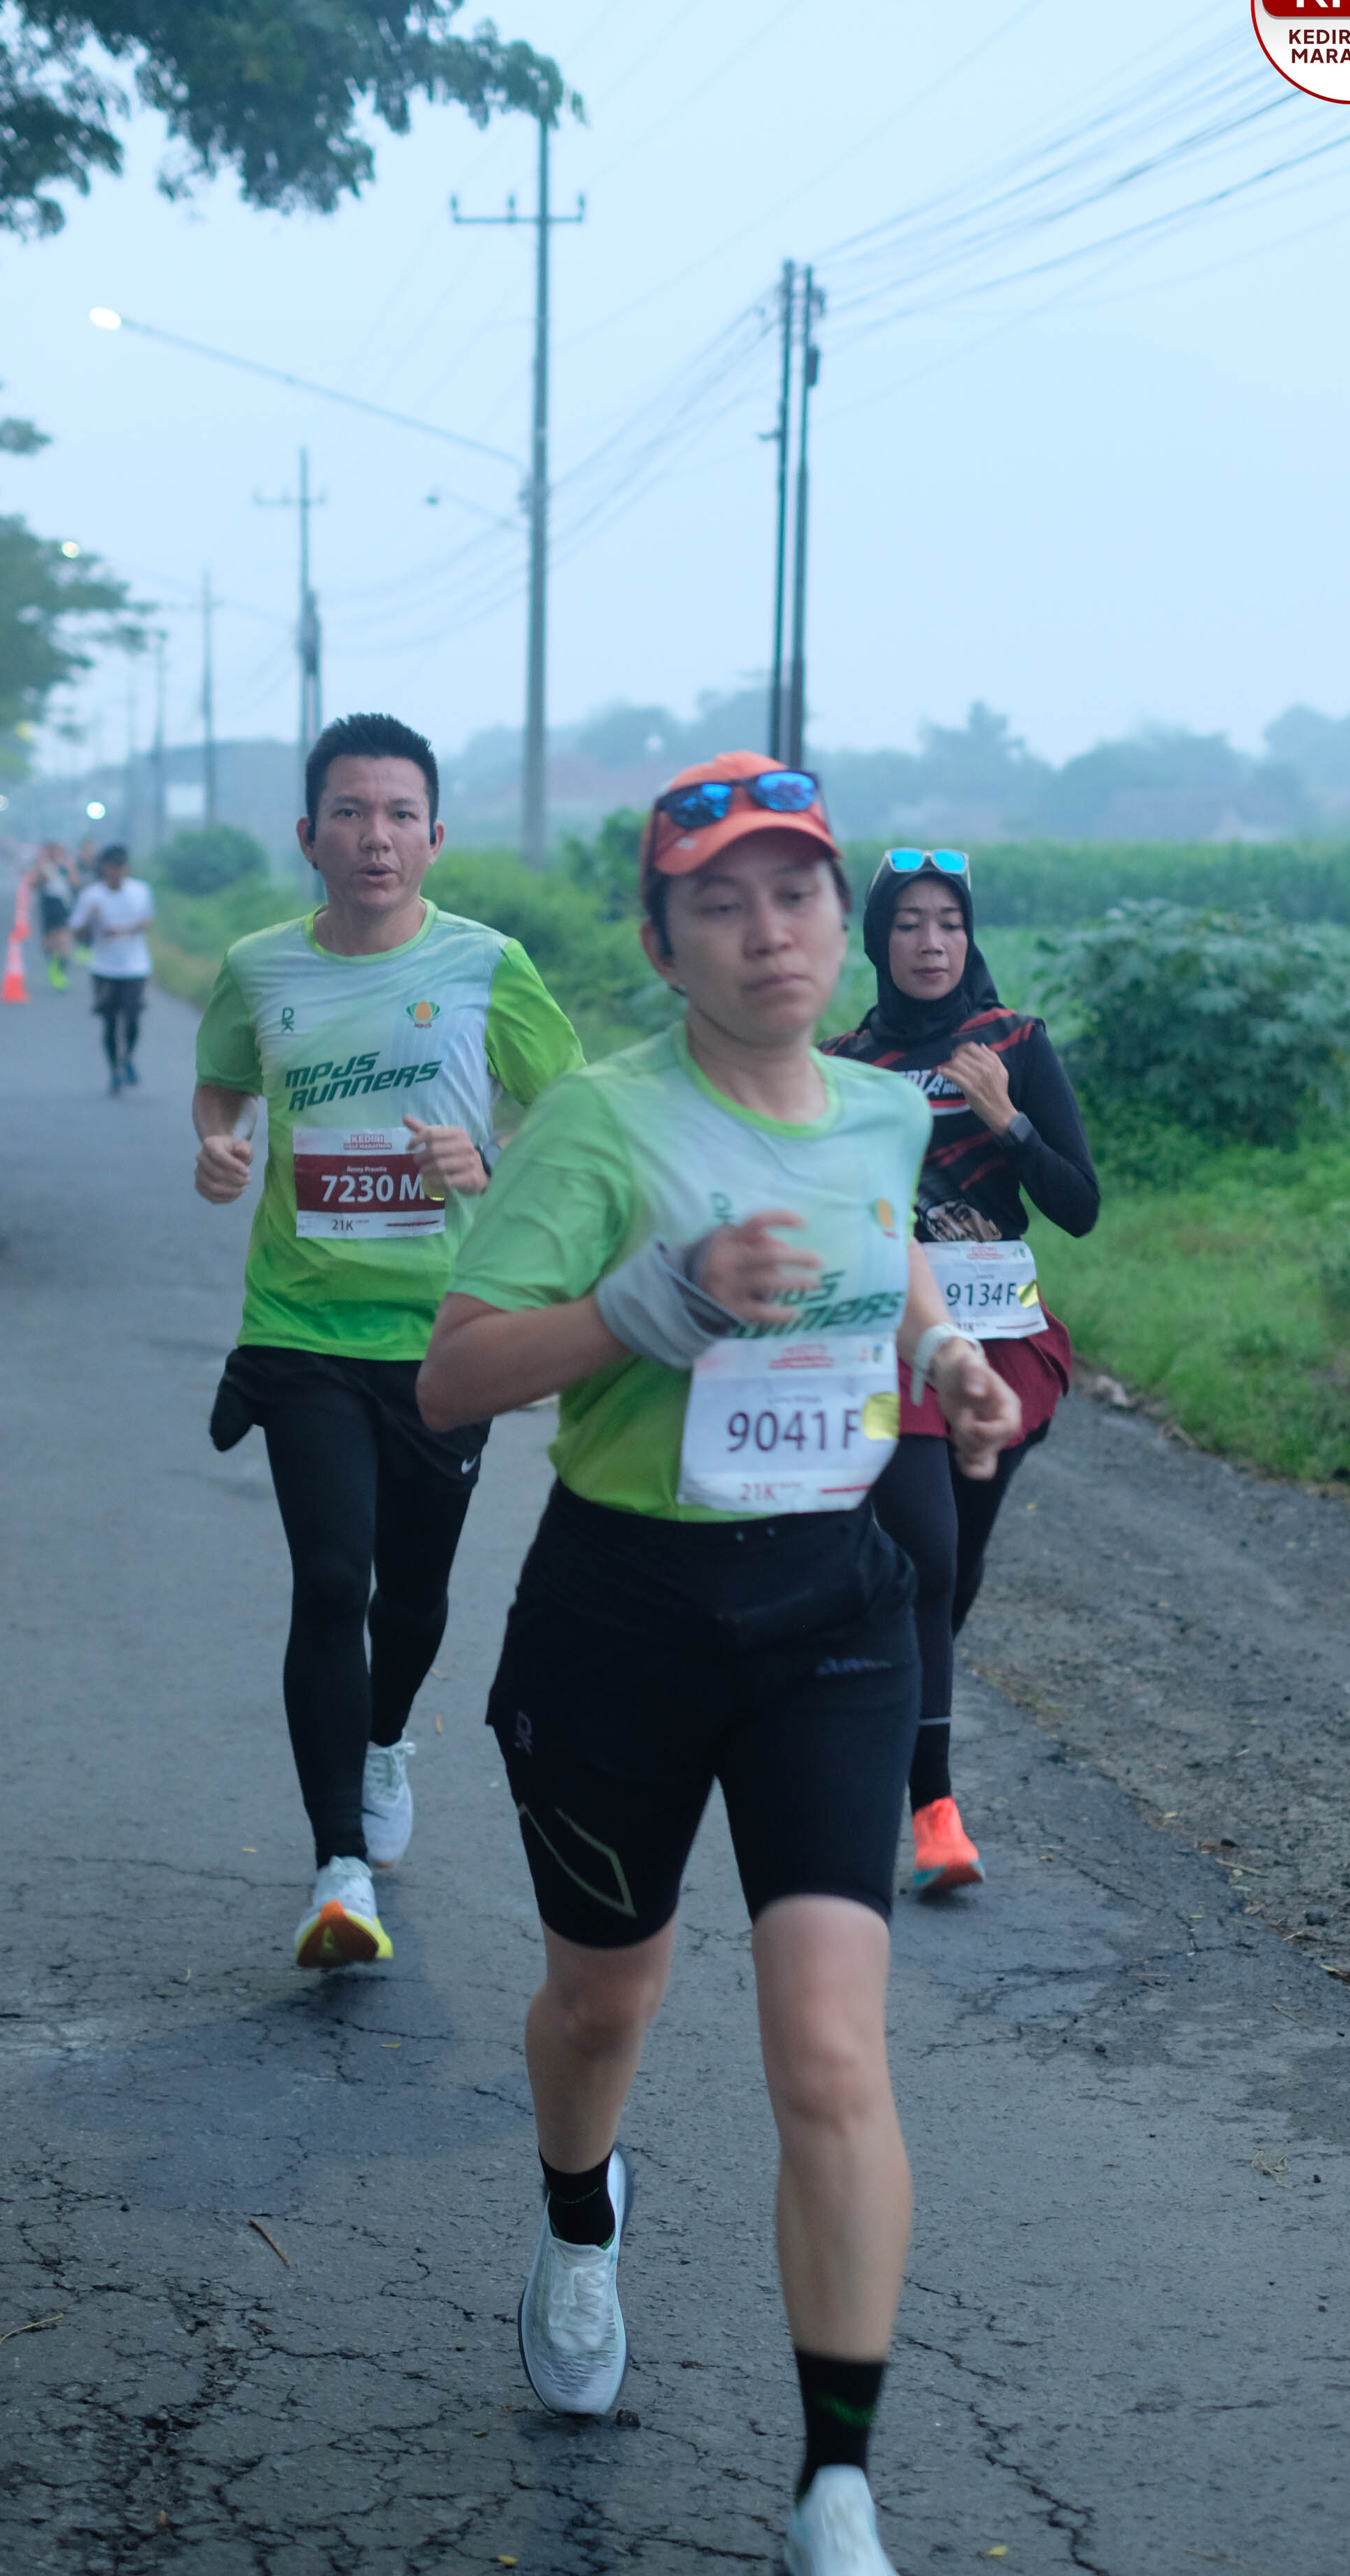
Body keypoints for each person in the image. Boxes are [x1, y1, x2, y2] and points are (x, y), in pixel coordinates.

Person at [415, 753, 1017, 2576]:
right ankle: (578, 2214)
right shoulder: (600, 1123)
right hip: (626, 1610)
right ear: (663, 938)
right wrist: (643, 1306)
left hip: (835, 1608)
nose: (772, 932)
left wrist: (947, 1360)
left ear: (843, 920)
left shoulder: (880, 1110)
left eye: (798, 893)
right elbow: (452, 1376)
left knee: (829, 2048)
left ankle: (837, 2484)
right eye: (722, 902)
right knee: (607, 2002)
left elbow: (892, 1263)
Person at [192, 711, 582, 1973]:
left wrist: (490, 1160)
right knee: (330, 1581)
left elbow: (576, 1122)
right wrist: (218, 1143)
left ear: (435, 837)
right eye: (351, 813)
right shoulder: (258, 968)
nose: (376, 837)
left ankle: (382, 1739)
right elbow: (222, 1083)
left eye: (400, 814)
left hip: (446, 1336)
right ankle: (338, 1867)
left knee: (411, 1597)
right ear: (308, 834)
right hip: (300, 1324)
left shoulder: (487, 965)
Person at [823, 852, 1098, 1895]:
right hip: (897, 1341)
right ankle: (934, 1811)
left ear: (969, 935)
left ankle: (897, 1697)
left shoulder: (1015, 1043)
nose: (930, 943)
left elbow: (1079, 1206)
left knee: (953, 1568)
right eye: (908, 924)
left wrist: (1007, 1121)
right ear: (878, 941)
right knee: (929, 1555)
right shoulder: (846, 1064)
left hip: (1003, 1342)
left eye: (948, 922)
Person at [69, 845, 154, 1091]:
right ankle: (114, 1071)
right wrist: (91, 919)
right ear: (104, 868)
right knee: (109, 1022)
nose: (116, 873)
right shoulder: (91, 895)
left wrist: (130, 929)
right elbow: (77, 931)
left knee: (133, 1018)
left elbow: (147, 922)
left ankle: (127, 1058)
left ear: (126, 868)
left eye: (120, 868)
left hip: (135, 966)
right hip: (104, 968)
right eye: (111, 868)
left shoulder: (140, 891)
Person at [30, 841, 77, 992]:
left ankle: (59, 972)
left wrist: (68, 869)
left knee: (64, 940)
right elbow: (33, 884)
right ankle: (53, 966)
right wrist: (43, 874)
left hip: (62, 905)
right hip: (48, 905)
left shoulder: (66, 865)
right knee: (49, 943)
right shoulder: (43, 866)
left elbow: (75, 882)